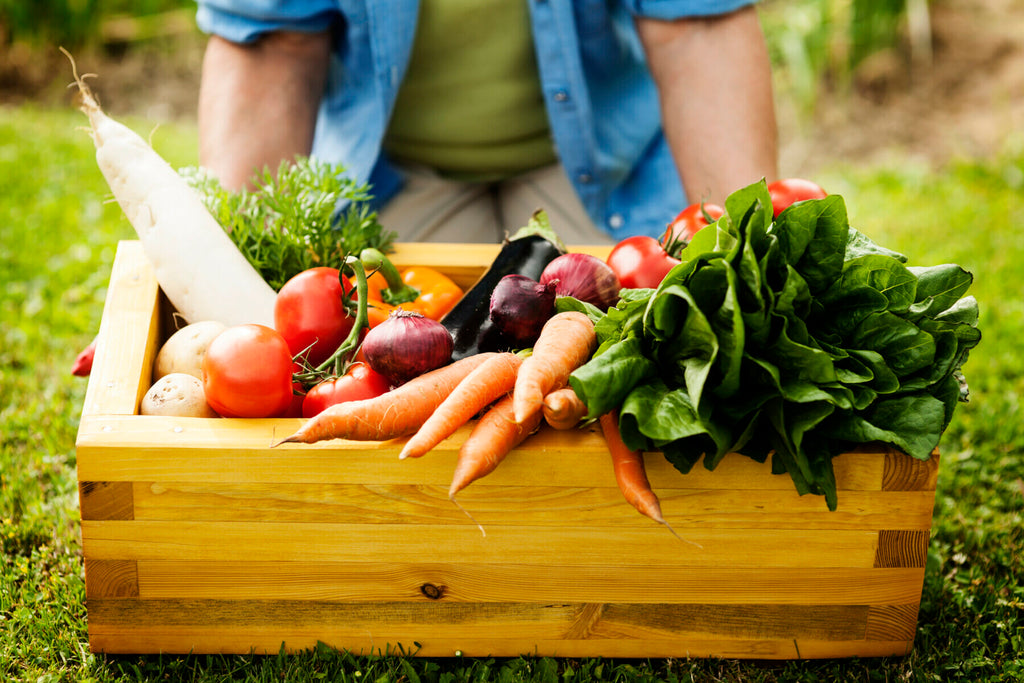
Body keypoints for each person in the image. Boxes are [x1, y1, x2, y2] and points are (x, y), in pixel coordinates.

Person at [195, 1, 778, 244]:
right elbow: (275, 43)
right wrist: (228, 270)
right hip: (390, 171)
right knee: (385, 359)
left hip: (606, 165)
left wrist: (751, 254)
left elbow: (694, 27)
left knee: (650, 353)